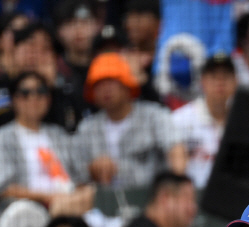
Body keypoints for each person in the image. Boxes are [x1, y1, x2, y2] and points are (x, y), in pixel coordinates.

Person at [72, 52, 186, 189]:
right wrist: (92, 169)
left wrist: (177, 185)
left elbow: (176, 149)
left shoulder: (154, 116)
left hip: (149, 199)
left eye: (112, 81)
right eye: (99, 84)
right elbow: (75, 174)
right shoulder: (87, 128)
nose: (106, 89)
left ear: (127, 85)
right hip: (104, 203)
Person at [0, 71, 94, 215]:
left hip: (71, 202)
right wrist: (49, 198)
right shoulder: (4, 137)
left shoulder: (59, 134)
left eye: (41, 91)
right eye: (25, 93)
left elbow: (82, 178)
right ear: (14, 100)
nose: (34, 98)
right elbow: (6, 189)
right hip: (29, 210)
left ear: (49, 99)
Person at [172, 53, 237, 189]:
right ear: (203, 81)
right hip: (194, 197)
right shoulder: (180, 119)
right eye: (214, 76)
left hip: (232, 196)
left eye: (225, 76)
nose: (220, 81)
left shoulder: (243, 120)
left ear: (236, 82)